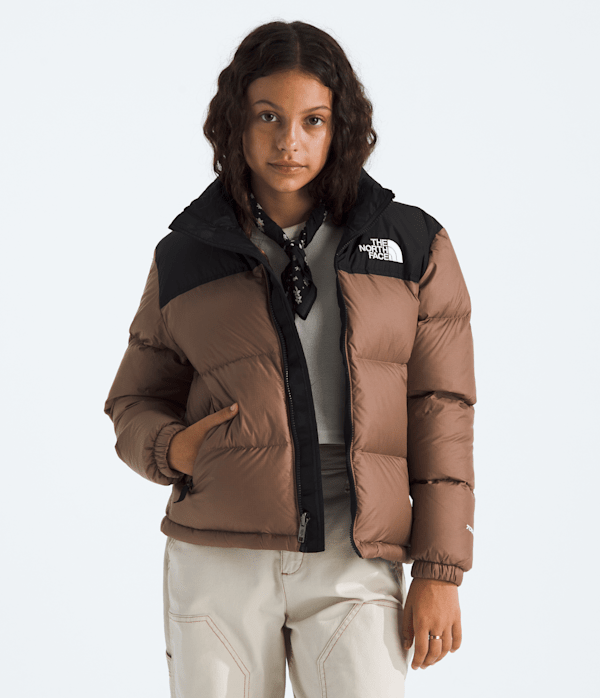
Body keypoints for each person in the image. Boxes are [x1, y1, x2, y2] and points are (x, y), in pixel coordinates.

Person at [103, 19, 476, 698]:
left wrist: (439, 570)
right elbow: (134, 401)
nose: (288, 142)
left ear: (341, 127)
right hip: (219, 549)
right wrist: (173, 450)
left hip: (355, 550)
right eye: (268, 116)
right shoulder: (186, 254)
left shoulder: (414, 244)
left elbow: (441, 411)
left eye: (313, 120)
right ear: (236, 122)